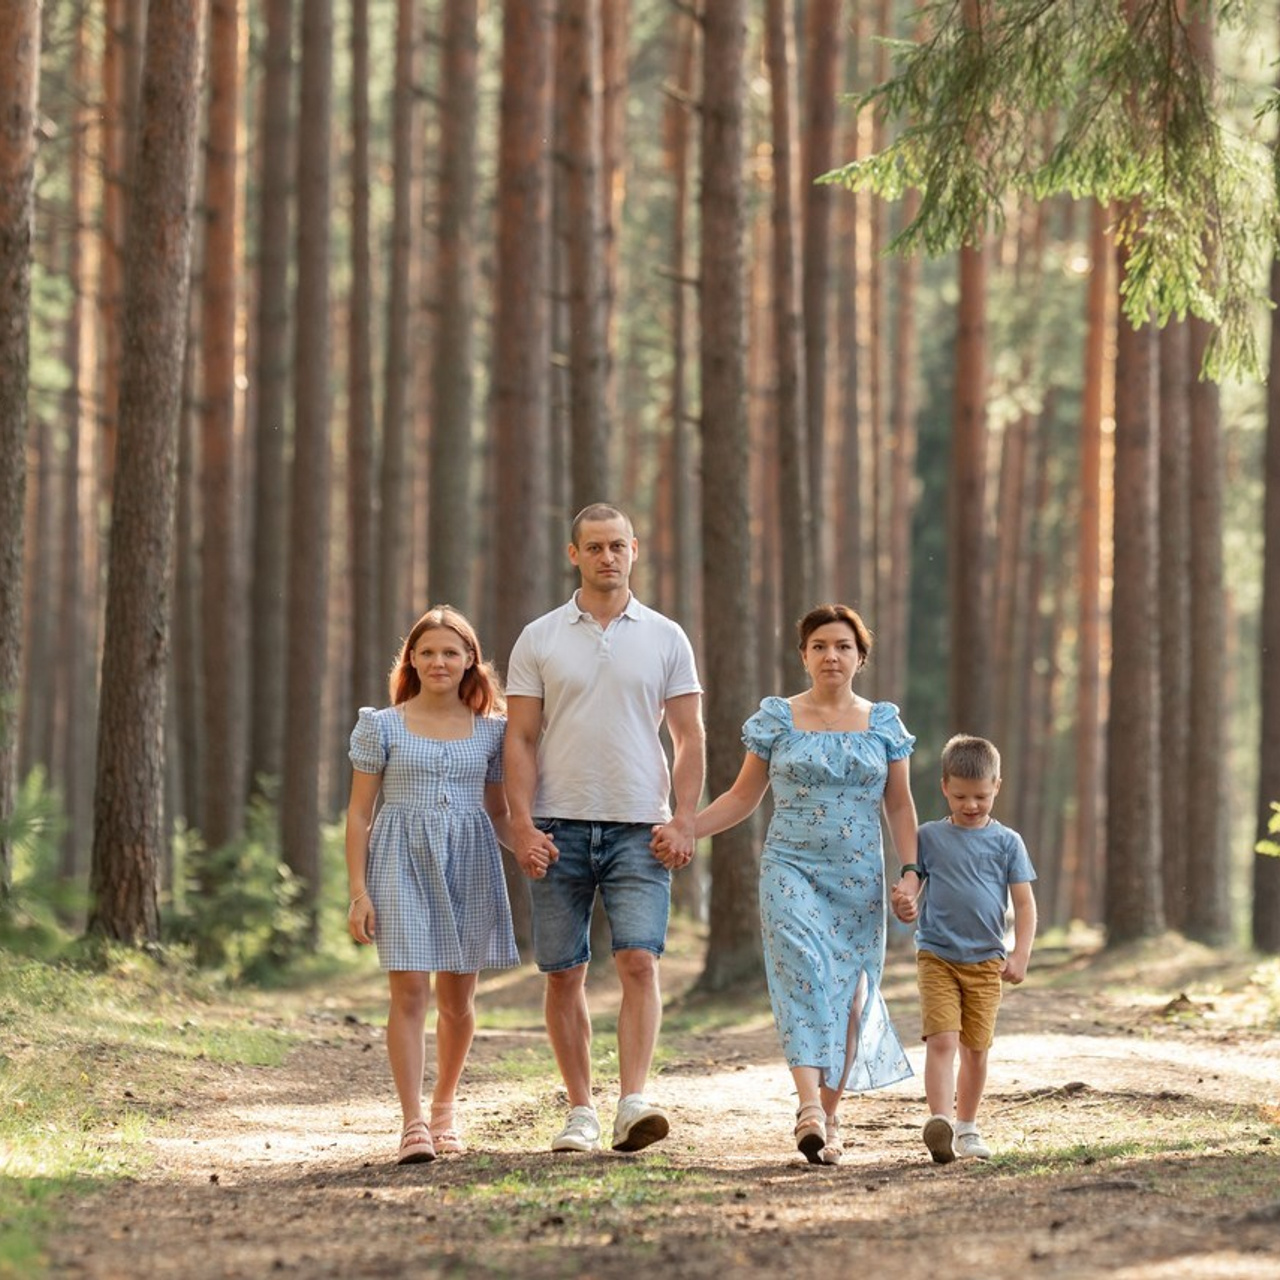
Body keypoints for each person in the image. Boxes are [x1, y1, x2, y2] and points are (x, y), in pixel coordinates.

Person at [658, 604, 920, 1166]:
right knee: (803, 975)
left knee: (851, 997)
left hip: (859, 879)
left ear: (860, 658)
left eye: (843, 646)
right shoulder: (778, 719)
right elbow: (741, 797)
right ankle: (807, 1107)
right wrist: (686, 829)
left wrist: (910, 872)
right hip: (790, 868)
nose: (832, 655)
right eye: (820, 645)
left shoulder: (883, 723)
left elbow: (899, 805)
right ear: (804, 656)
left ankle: (832, 1114)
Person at [504, 503, 705, 1154]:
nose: (607, 557)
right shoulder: (539, 637)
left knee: (639, 960)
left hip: (640, 827)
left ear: (635, 550)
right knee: (564, 972)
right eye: (594, 547)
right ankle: (581, 1111)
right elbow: (521, 739)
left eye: (618, 546)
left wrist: (683, 819)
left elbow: (688, 736)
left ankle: (633, 1102)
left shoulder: (667, 637)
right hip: (557, 825)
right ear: (574, 555)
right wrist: (524, 825)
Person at [345, 606, 518, 1164]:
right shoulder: (382, 725)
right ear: (411, 661)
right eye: (427, 652)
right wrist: (358, 890)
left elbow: (497, 812)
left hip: (469, 861)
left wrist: (533, 848)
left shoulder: (493, 732)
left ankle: (444, 1107)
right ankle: (412, 1121)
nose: (439, 662)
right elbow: (359, 814)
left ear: (470, 660)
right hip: (400, 859)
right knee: (410, 991)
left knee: (459, 999)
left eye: (450, 652)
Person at [890, 733, 1038, 1164]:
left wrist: (1021, 952)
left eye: (980, 796)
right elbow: (913, 880)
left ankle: (967, 1126)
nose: (970, 805)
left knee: (975, 1049)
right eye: (960, 796)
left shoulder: (1007, 842)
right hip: (936, 955)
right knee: (942, 1041)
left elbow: (1025, 904)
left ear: (997, 787)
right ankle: (940, 1122)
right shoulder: (929, 837)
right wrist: (905, 900)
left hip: (986, 961)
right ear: (944, 788)